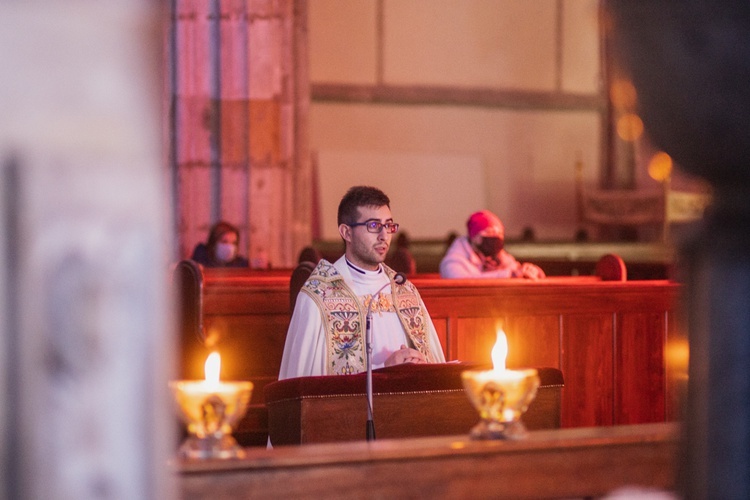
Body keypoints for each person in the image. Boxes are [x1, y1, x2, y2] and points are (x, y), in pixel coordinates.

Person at [278, 186, 446, 380]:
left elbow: (434, 367)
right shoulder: (320, 295)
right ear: (346, 233)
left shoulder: (403, 290)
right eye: (373, 226)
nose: (384, 236)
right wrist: (385, 369)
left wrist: (418, 363)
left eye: (389, 225)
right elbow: (309, 389)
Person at [439, 210, 546, 279]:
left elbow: (515, 270)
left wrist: (531, 271)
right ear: (475, 237)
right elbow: (464, 284)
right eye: (489, 232)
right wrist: (509, 275)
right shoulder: (453, 261)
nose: (495, 237)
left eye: (499, 233)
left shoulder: (501, 258)